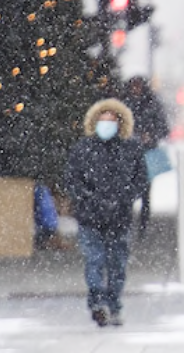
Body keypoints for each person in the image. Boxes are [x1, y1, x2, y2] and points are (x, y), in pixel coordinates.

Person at [63, 98, 148, 327]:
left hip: (119, 217)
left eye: (111, 120)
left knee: (117, 264)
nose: (107, 124)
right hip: (90, 217)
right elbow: (72, 180)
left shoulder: (130, 148)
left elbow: (140, 180)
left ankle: (114, 305)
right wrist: (90, 199)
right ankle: (98, 302)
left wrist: (122, 198)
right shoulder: (83, 149)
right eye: (103, 120)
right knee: (95, 261)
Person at [121, 76, 170, 236]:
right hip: (127, 154)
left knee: (145, 190)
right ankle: (128, 222)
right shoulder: (124, 104)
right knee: (126, 189)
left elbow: (163, 127)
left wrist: (151, 135)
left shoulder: (152, 104)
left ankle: (143, 224)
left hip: (146, 153)